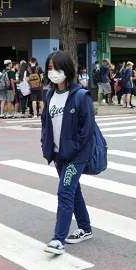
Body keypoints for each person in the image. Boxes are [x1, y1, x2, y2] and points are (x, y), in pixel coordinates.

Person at [41, 51, 95, 255]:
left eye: (57, 67)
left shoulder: (81, 96)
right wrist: (45, 144)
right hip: (57, 154)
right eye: (50, 68)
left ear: (68, 70)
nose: (53, 72)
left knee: (64, 192)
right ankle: (85, 228)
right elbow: (46, 123)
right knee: (74, 192)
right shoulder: (50, 94)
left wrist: (73, 149)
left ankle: (58, 239)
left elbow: (87, 130)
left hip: (76, 155)